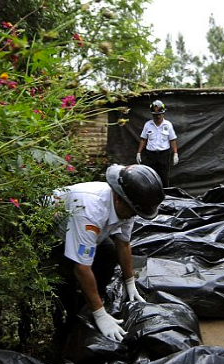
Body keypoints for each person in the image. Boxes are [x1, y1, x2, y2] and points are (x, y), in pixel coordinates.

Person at [51, 164, 165, 342]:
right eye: (133, 212)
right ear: (119, 199)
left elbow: (124, 243)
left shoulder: (127, 206)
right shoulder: (89, 212)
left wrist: (130, 282)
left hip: (88, 232)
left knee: (109, 253)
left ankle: (89, 302)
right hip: (55, 235)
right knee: (66, 286)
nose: (133, 216)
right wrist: (100, 315)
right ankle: (66, 337)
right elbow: (81, 268)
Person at [136, 100, 178, 187]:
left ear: (163, 113)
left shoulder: (168, 125)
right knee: (150, 177)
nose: (158, 116)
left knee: (164, 178)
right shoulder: (148, 125)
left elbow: (172, 140)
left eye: (159, 114)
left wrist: (175, 153)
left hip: (164, 155)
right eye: (155, 115)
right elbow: (143, 139)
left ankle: (166, 197)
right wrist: (139, 153)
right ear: (152, 114)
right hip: (150, 156)